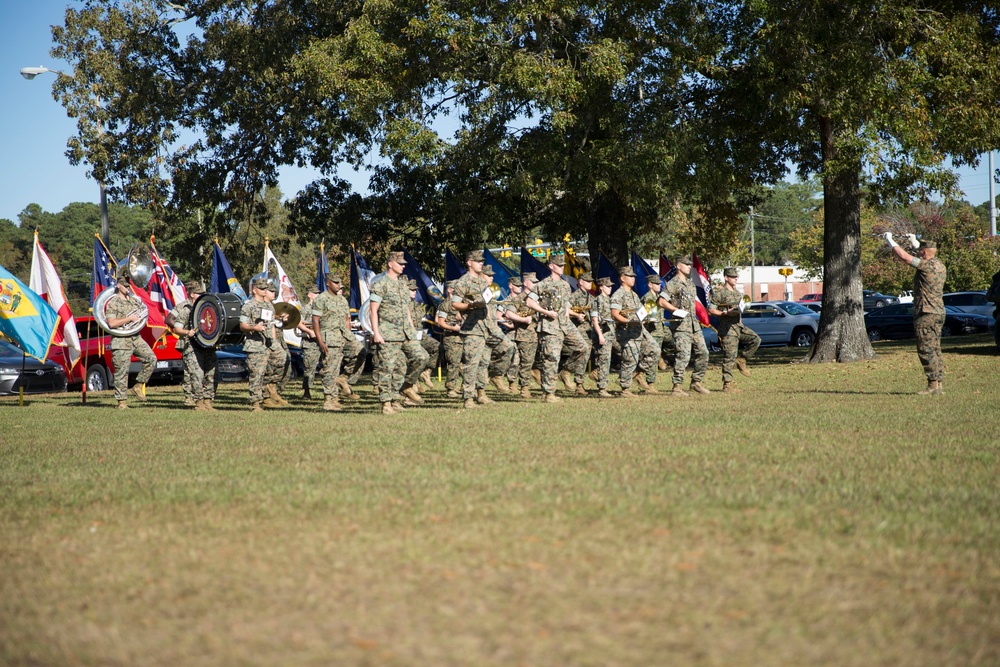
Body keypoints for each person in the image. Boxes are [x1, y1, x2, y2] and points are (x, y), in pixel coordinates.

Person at [885, 233, 947, 394]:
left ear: (925, 253)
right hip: (938, 311)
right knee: (935, 348)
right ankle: (938, 383)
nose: (917, 252)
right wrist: (913, 241)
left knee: (926, 348)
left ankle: (932, 384)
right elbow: (922, 253)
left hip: (926, 312)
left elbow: (905, 257)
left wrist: (890, 240)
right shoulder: (939, 264)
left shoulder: (926, 266)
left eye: (920, 251)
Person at [527, 253, 589, 402]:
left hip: (565, 324)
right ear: (551, 266)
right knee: (551, 358)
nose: (562, 268)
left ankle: (564, 371)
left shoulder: (565, 285)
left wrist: (574, 315)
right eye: (559, 265)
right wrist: (545, 311)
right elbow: (530, 302)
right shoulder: (542, 285)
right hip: (550, 326)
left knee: (583, 347)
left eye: (563, 265)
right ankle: (549, 393)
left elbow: (566, 307)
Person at [452, 250, 505, 408]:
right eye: (477, 261)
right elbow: (455, 303)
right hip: (472, 329)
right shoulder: (463, 281)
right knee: (472, 363)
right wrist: (470, 305)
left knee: (487, 360)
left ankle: (481, 392)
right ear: (469, 262)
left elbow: (488, 302)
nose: (481, 263)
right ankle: (468, 398)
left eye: (482, 261)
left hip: (486, 328)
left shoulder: (483, 282)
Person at [369, 251, 415, 414]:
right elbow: (373, 311)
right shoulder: (380, 284)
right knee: (387, 368)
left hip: (405, 333)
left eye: (404, 264)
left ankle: (402, 389)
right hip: (387, 333)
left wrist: (411, 327)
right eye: (400, 263)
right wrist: (376, 333)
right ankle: (387, 403)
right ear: (390, 264)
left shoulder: (403, 284)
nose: (403, 266)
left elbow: (406, 309)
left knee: (419, 358)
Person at [105, 273, 156, 409]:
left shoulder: (133, 300)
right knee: (122, 371)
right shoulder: (113, 302)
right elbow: (111, 323)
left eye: (129, 285)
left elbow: (142, 313)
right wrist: (129, 319)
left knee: (151, 359)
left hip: (135, 337)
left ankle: (138, 385)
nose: (128, 288)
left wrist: (138, 318)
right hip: (121, 340)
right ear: (118, 286)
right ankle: (121, 402)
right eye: (125, 285)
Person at [662, 255, 710, 396]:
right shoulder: (673, 283)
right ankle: (677, 387)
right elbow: (661, 301)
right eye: (686, 264)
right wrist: (675, 310)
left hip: (694, 325)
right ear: (678, 266)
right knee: (683, 355)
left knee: (704, 352)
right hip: (681, 326)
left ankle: (696, 382)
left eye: (690, 265)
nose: (690, 266)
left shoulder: (690, 284)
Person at [165, 280, 217, 411]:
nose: (201, 295)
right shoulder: (184, 308)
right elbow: (172, 323)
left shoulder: (207, 308)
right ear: (192, 294)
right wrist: (187, 332)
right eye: (199, 293)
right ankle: (196, 400)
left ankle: (207, 402)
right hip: (191, 344)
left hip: (207, 345)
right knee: (194, 374)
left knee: (210, 374)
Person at [708, 267, 760, 393]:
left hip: (738, 326)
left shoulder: (738, 293)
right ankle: (727, 385)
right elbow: (710, 309)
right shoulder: (720, 293)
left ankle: (742, 359)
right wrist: (724, 314)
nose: (735, 279)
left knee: (756, 339)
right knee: (729, 356)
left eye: (736, 277)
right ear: (726, 277)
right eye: (733, 277)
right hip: (727, 329)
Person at [610, 266, 657, 396]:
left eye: (633, 277)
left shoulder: (634, 294)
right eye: (630, 276)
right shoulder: (618, 295)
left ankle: (636, 373)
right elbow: (615, 314)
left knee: (654, 350)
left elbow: (639, 313)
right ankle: (625, 389)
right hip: (626, 332)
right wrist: (628, 321)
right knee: (630, 360)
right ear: (622, 278)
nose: (633, 279)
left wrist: (645, 316)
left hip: (639, 330)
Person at [312, 273, 354, 411]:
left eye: (339, 283)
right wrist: (320, 341)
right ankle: (329, 400)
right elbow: (315, 321)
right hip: (329, 339)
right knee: (330, 369)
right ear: (328, 283)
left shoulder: (343, 300)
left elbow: (347, 319)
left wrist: (349, 336)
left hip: (343, 337)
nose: (338, 285)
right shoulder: (321, 299)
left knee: (361, 352)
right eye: (335, 282)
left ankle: (344, 379)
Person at [239, 278, 277, 412]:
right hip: (254, 345)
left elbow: (271, 325)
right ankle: (255, 403)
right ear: (254, 290)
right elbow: (242, 326)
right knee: (256, 374)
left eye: (265, 288)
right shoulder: (248, 306)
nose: (264, 290)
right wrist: (254, 328)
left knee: (269, 371)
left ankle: (266, 397)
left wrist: (273, 341)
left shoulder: (268, 306)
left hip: (266, 344)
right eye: (261, 288)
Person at [503, 275, 538, 399]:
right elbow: (508, 313)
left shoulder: (538, 297)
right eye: (533, 282)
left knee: (532, 362)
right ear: (526, 283)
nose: (535, 284)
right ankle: (524, 388)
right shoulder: (519, 299)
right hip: (525, 335)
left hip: (537, 334)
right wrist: (523, 319)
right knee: (525, 363)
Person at [564, 272, 595, 395]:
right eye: (588, 281)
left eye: (591, 281)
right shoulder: (575, 296)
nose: (590, 283)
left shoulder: (591, 298)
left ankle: (577, 381)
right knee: (581, 353)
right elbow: (566, 308)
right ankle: (576, 381)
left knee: (585, 356)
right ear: (581, 282)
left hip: (588, 331)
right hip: (578, 329)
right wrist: (577, 315)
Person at [261, 283, 292, 407]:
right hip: (264, 342)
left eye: (275, 291)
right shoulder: (260, 305)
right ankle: (266, 396)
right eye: (271, 291)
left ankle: (273, 391)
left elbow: (272, 323)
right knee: (267, 369)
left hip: (274, 340)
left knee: (284, 365)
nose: (274, 293)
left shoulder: (271, 306)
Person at [400, 278, 430, 403]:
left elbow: (410, 320)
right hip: (395, 336)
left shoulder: (413, 304)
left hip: (413, 335)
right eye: (411, 289)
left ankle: (409, 385)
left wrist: (413, 332)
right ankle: (400, 396)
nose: (414, 292)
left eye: (414, 290)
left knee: (424, 356)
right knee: (398, 367)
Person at [435, 280, 464, 398]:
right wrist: (454, 328)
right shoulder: (445, 304)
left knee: (465, 363)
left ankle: (463, 386)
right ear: (449, 290)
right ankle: (451, 389)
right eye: (455, 288)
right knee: (454, 363)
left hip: (463, 337)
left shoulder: (461, 303)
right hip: (452, 338)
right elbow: (440, 322)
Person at [635, 274, 665, 392]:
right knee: (652, 357)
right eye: (657, 284)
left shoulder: (657, 297)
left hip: (659, 330)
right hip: (651, 331)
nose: (659, 285)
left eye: (659, 283)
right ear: (650, 285)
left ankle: (642, 376)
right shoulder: (648, 297)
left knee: (656, 356)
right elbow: (646, 315)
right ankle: (650, 384)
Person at [590, 276, 616, 398]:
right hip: (602, 334)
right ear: (601, 287)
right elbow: (595, 320)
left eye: (611, 286)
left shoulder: (610, 300)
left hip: (611, 334)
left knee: (609, 360)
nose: (610, 288)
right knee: (604, 361)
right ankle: (602, 388)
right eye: (608, 286)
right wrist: (600, 335)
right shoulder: (597, 301)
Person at [298, 286, 321, 399]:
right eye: (315, 293)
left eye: (318, 293)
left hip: (322, 341)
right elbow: (299, 322)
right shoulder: (305, 309)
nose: (317, 295)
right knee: (309, 369)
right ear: (309, 295)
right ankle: (307, 392)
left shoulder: (322, 308)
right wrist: (309, 331)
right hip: (310, 343)